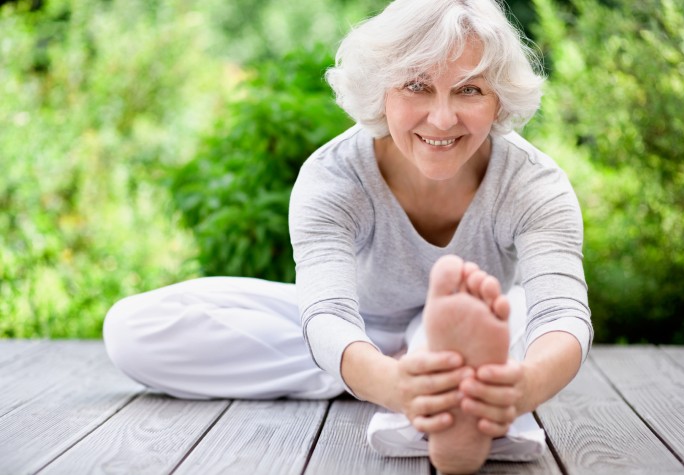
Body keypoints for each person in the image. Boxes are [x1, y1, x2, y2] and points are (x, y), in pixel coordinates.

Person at [103, 0, 592, 473]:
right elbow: (328, 311)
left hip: (488, 317)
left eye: (469, 91)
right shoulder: (333, 177)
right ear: (380, 90)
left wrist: (525, 385)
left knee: (522, 312)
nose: (442, 118)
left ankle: (445, 382)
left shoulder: (533, 184)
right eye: (417, 86)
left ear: (499, 98)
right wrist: (389, 379)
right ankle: (426, 383)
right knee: (132, 329)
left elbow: (563, 313)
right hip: (361, 323)